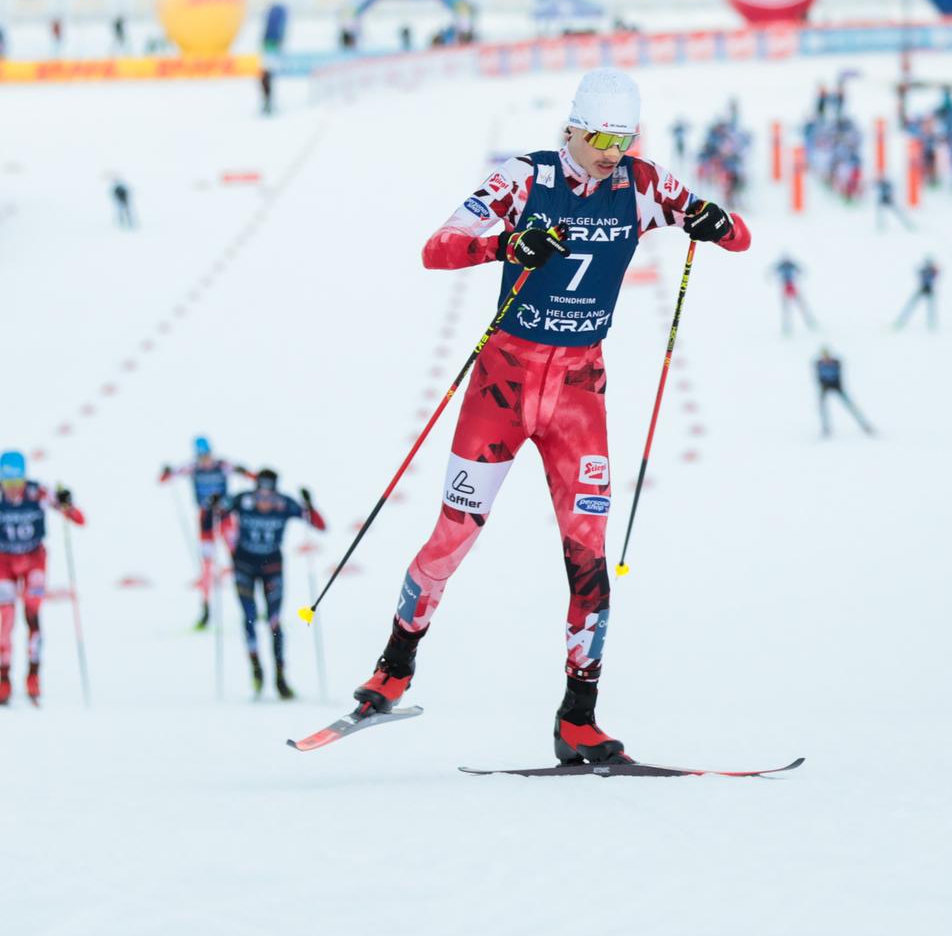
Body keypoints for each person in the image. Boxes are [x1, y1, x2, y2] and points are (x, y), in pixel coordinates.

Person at [348, 68, 750, 765]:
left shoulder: (643, 185)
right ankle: (393, 667)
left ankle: (578, 719)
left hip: (577, 392)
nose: (610, 150)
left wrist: (715, 222)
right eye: (598, 135)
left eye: (623, 137)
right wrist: (506, 244)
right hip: (502, 385)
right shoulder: (524, 179)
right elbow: (435, 249)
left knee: (588, 558)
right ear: (569, 129)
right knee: (453, 535)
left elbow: (736, 235)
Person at [210, 469, 326, 699]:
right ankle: (256, 671)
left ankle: (280, 677)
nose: (265, 501)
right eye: (261, 494)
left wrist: (309, 505)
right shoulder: (242, 499)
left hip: (272, 568)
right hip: (244, 565)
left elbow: (319, 526)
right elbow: (214, 513)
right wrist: (214, 504)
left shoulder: (285, 503)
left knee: (274, 622)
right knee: (250, 618)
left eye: (269, 495)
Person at [0, 450, 85, 705]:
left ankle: (33, 677)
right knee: (4, 620)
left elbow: (78, 518)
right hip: (4, 563)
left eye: (18, 483)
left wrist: (66, 502)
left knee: (32, 615)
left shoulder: (38, 492)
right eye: (8, 483)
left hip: (34, 561)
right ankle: (3, 679)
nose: (13, 489)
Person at [159, 438, 253, 629]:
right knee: (207, 565)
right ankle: (206, 607)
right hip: (206, 520)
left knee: (239, 559)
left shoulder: (222, 465)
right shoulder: (193, 467)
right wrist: (166, 471)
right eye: (201, 456)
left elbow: (251, 476)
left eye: (207, 455)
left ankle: (249, 601)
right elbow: (166, 478)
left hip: (225, 518)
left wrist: (245, 471)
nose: (205, 460)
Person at [814, 350, 875, 438]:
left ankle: (865, 425)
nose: (825, 358)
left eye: (827, 355)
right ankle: (825, 428)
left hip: (836, 386)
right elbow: (818, 377)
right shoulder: (818, 364)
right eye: (824, 356)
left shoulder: (836, 362)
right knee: (822, 408)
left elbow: (838, 375)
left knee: (850, 406)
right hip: (825, 387)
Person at [771, 256, 816, 335]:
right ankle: (787, 327)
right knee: (788, 308)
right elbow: (772, 271)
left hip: (791, 287)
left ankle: (809, 321)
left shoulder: (789, 265)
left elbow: (800, 270)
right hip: (787, 287)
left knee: (799, 306)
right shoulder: (784, 265)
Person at [894, 257, 940, 330]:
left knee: (930, 308)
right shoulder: (925, 270)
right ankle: (901, 320)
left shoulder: (932, 271)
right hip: (923, 289)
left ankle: (932, 324)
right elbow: (919, 273)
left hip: (928, 289)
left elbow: (935, 274)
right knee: (912, 305)